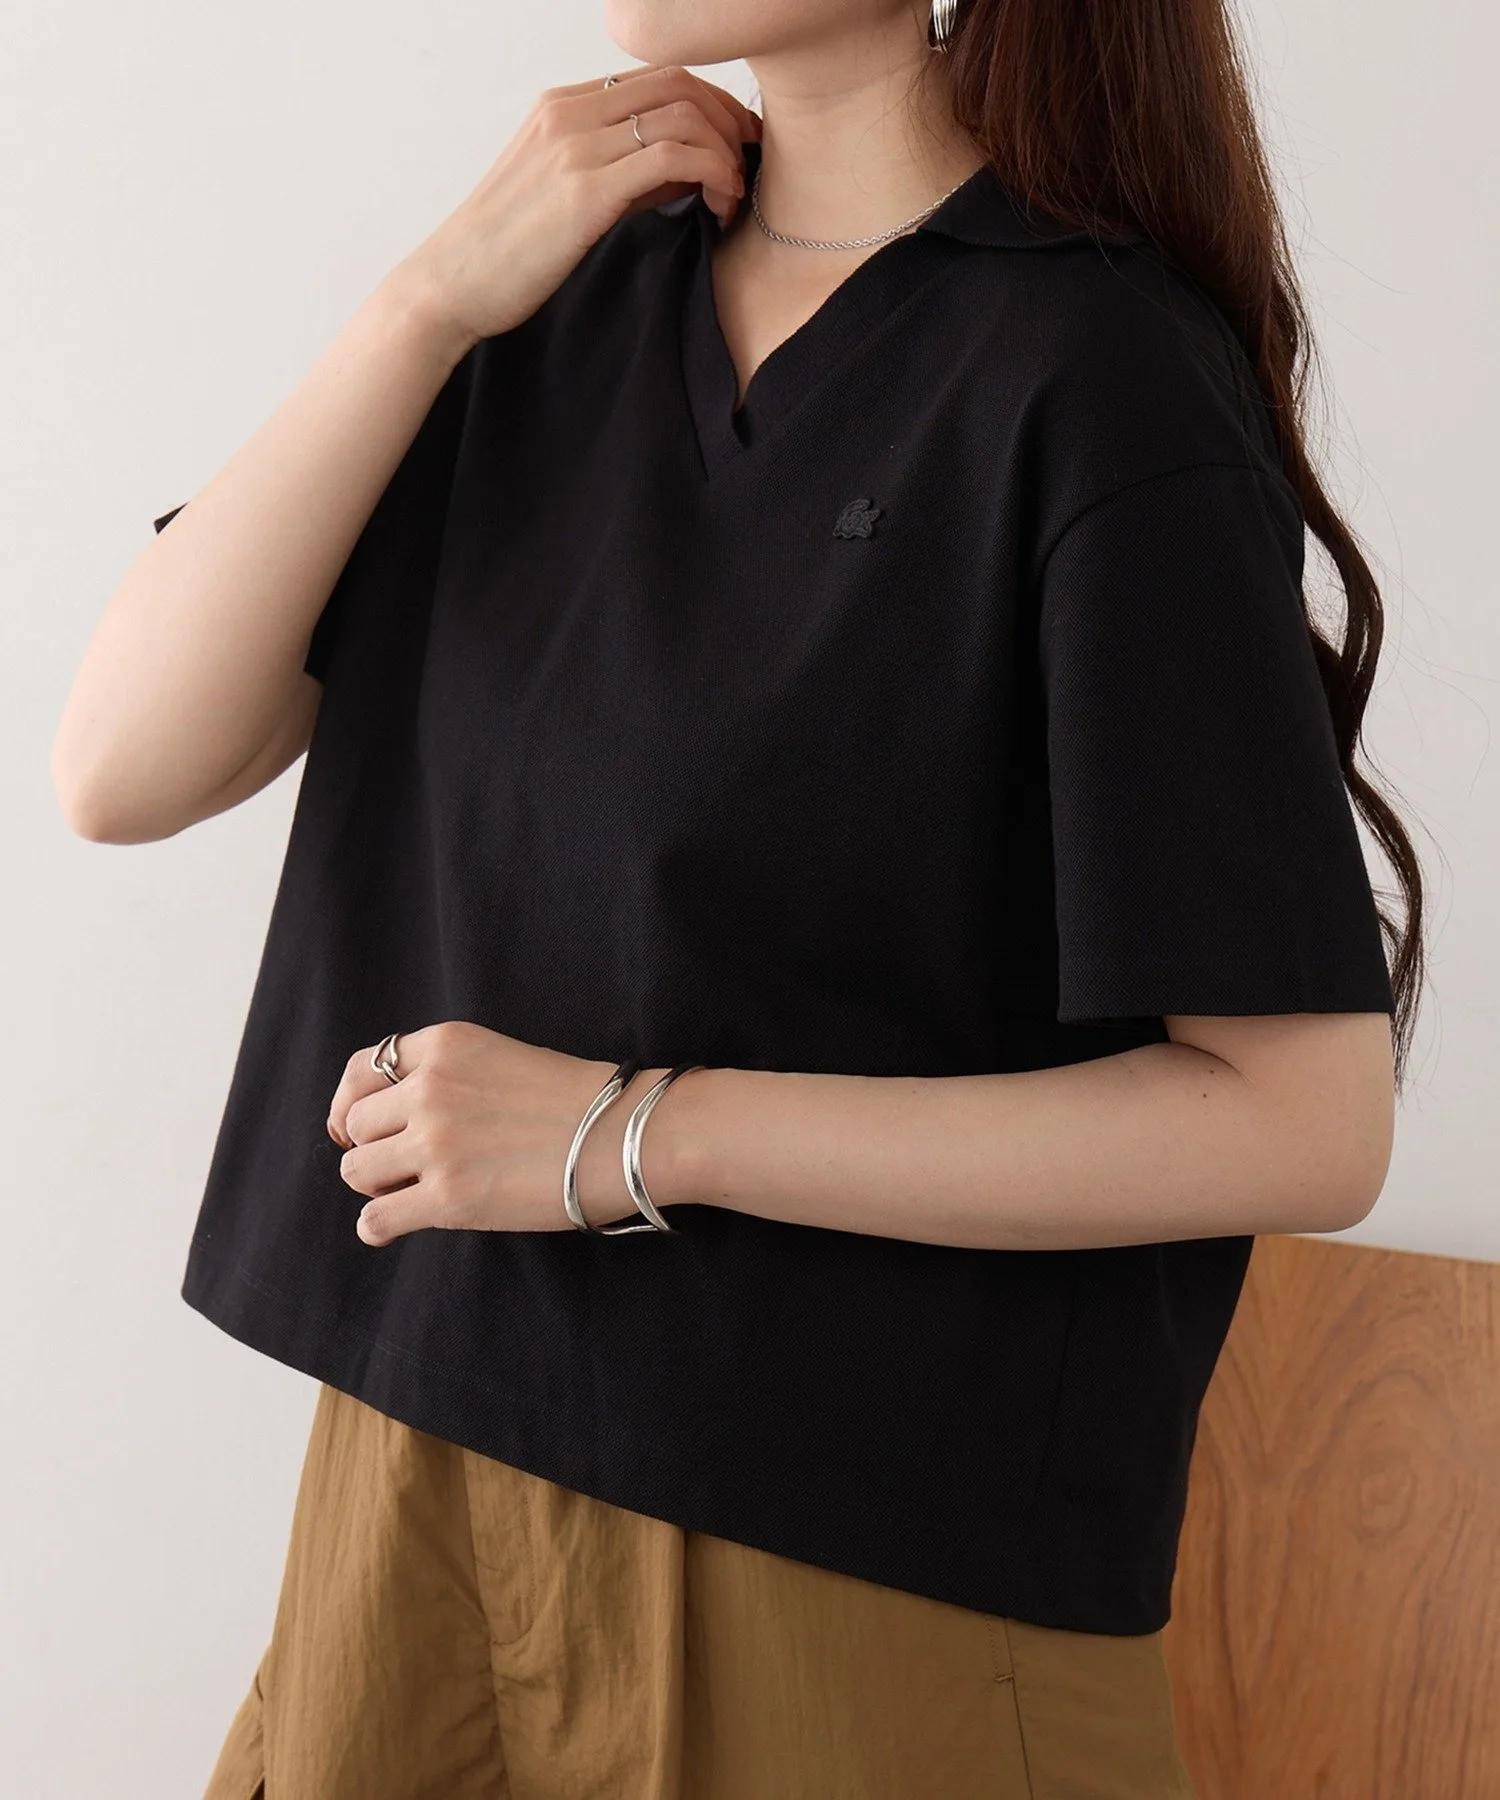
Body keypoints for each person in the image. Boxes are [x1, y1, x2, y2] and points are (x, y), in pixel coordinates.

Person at [54, 1, 1425, 1795]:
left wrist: (638, 1133)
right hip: (414, 1496)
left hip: (849, 1579)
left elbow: (1303, 1122)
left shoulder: (1098, 378)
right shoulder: (556, 300)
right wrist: (425, 302)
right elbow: (124, 764)